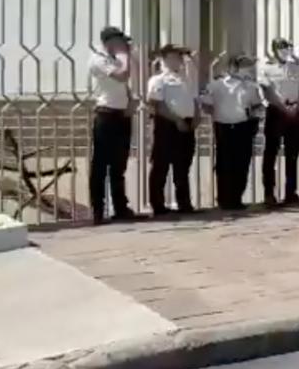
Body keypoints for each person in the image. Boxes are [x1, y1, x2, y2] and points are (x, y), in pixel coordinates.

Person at [202, 54, 264, 210]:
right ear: (232, 67)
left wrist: (255, 122)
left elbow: (257, 106)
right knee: (224, 164)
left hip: (243, 126)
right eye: (243, 65)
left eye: (249, 66)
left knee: (242, 163)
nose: (247, 69)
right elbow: (206, 104)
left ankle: (236, 197)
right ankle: (223, 198)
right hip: (223, 126)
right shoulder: (218, 85)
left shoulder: (251, 86)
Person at [88, 26, 136, 225]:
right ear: (109, 42)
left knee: (119, 164)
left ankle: (120, 208)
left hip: (122, 115)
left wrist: (130, 102)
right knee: (100, 165)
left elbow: (124, 86)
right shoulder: (98, 60)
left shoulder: (116, 60)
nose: (125, 46)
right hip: (106, 115)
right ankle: (98, 210)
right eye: (120, 42)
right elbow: (122, 75)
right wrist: (125, 55)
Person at [146, 44, 198, 216]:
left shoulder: (186, 79)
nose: (180, 60)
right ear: (166, 58)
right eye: (176, 56)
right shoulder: (158, 80)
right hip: (167, 125)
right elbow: (156, 105)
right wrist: (176, 120)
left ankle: (184, 203)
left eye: (181, 56)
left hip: (187, 124)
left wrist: (195, 117)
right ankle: (158, 205)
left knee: (183, 165)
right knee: (161, 165)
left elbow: (194, 100)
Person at [259, 38, 299, 206]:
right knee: (271, 153)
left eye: (287, 47)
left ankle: (290, 192)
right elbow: (267, 92)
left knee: (292, 154)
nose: (285, 50)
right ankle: (269, 194)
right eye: (281, 47)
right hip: (276, 112)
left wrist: (297, 106)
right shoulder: (267, 68)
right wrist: (283, 108)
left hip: (294, 112)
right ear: (274, 49)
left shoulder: (297, 67)